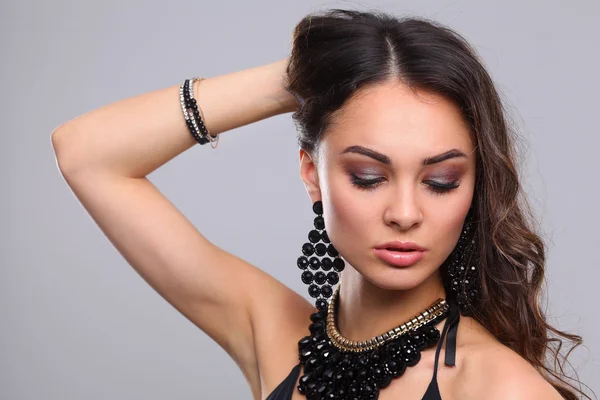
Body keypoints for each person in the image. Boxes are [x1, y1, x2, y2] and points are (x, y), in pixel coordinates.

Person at [51, 8, 590, 400]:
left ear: (475, 187)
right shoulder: (273, 333)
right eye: (368, 175)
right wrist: (306, 75)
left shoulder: (497, 388)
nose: (405, 212)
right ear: (312, 172)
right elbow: (87, 153)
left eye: (441, 181)